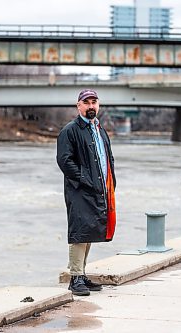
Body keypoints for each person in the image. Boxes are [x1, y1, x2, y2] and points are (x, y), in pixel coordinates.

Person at [56, 89, 116, 296]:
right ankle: (75, 278)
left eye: (94, 102)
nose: (91, 106)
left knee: (89, 231)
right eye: (86, 102)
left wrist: (109, 184)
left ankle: (82, 275)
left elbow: (107, 158)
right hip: (79, 190)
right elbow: (64, 161)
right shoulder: (70, 130)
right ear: (78, 106)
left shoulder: (100, 130)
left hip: (99, 189)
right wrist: (85, 179)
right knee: (79, 233)